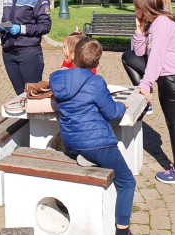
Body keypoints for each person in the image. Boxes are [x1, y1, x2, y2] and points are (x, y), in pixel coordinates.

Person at [50, 37, 136, 235]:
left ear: (73, 55)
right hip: (97, 143)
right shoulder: (96, 82)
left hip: (71, 139)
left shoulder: (56, 78)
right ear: (97, 62)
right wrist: (122, 105)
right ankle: (122, 231)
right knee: (127, 182)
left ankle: (85, 157)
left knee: (93, 153)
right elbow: (112, 113)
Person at [121, 0, 175, 186]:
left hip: (171, 79)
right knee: (127, 56)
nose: (134, 10)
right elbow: (140, 53)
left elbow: (156, 59)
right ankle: (147, 102)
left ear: (143, 7)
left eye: (136, 7)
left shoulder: (162, 24)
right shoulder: (155, 23)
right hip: (171, 77)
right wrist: (139, 29)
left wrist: (145, 84)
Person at [0, 0, 52, 95]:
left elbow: (45, 26)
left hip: (28, 53)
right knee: (19, 95)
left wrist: (21, 29)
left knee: (32, 95)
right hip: (9, 52)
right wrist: (1, 27)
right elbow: (6, 19)